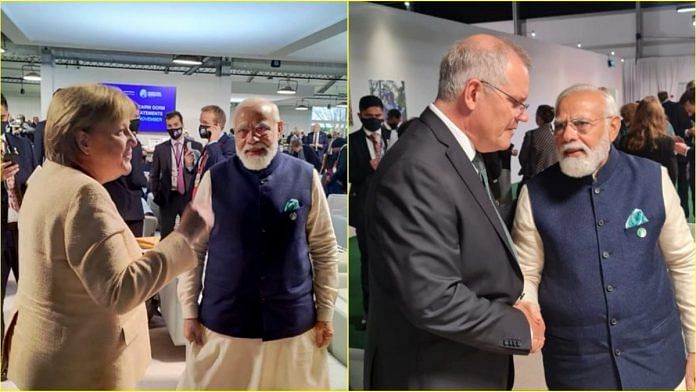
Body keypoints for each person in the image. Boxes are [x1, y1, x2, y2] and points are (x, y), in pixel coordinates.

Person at [363, 34, 544, 389]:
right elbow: (432, 297)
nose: (522, 116)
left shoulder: (449, 153)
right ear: (474, 93)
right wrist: (517, 326)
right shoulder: (418, 166)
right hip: (434, 373)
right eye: (516, 103)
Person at [4, 84, 210, 389]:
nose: (132, 140)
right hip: (80, 369)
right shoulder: (84, 194)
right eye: (121, 131)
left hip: (50, 356)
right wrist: (184, 237)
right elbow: (120, 291)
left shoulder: (48, 176)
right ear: (84, 141)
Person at [512, 84, 695, 389]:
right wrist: (528, 311)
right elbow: (527, 273)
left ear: (612, 127)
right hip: (577, 367)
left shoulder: (652, 179)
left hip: (657, 360)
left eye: (581, 124)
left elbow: (683, 262)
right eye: (560, 126)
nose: (568, 135)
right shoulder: (535, 194)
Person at [176, 97, 338, 389]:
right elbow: (193, 250)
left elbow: (324, 249)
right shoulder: (215, 178)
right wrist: (189, 310)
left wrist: (325, 313)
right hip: (225, 320)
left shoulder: (305, 176)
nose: (251, 138)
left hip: (291, 321)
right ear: (233, 133)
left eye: (261, 129)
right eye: (242, 131)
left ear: (279, 128)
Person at [348, 95, 388, 331]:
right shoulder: (352, 142)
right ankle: (369, 311)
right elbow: (348, 173)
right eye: (370, 117)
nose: (374, 120)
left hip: (393, 209)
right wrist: (367, 167)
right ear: (360, 115)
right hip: (365, 209)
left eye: (378, 117)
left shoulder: (392, 138)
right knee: (369, 261)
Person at [148, 111, 203, 238]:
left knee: (189, 235)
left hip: (188, 197)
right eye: (169, 126)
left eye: (176, 124)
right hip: (168, 196)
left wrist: (189, 165)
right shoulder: (160, 149)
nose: (173, 129)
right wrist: (156, 194)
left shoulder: (195, 146)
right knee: (166, 235)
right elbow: (154, 175)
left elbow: (199, 173)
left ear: (182, 124)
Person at [103, 101, 148, 236]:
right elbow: (136, 178)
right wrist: (147, 182)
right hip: (131, 209)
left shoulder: (107, 142)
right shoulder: (133, 144)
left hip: (110, 206)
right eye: (135, 116)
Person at [619, 96, 679, 183]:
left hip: (633, 188)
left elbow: (622, 170)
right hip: (656, 188)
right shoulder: (667, 142)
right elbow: (672, 174)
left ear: (637, 115)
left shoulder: (625, 140)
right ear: (660, 116)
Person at [192, 104, 235, 196]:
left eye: (205, 123)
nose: (201, 126)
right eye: (200, 122)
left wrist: (214, 143)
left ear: (217, 126)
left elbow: (224, 170)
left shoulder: (230, 144)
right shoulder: (208, 146)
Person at [518, 104, 557, 184]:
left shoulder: (531, 135)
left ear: (539, 118)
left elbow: (522, 158)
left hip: (535, 180)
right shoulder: (557, 136)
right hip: (554, 180)